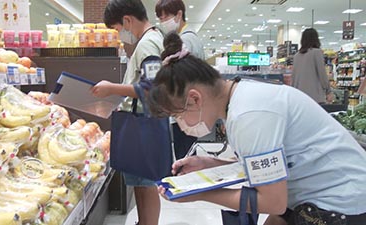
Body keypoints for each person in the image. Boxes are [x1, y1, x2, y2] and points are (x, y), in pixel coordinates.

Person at [148, 32, 366, 225]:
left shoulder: (248, 116)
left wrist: (199, 193)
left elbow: (273, 202)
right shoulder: (241, 98)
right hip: (314, 194)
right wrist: (211, 164)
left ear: (195, 99)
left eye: (178, 115)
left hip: (341, 203)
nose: (181, 123)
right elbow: (265, 166)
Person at [91, 1, 164, 225]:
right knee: (141, 184)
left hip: (143, 123)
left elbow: (152, 87)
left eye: (117, 29)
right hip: (141, 121)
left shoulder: (148, 44)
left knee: (146, 184)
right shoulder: (150, 40)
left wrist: (111, 89)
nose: (120, 35)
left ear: (127, 20)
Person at [155, 0, 205, 160]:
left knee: (185, 158)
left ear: (179, 14)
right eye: (160, 18)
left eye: (166, 16)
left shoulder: (184, 41)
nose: (163, 21)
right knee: (189, 153)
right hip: (192, 108)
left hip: (185, 109)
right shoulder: (191, 38)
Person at [292, 28, 333, 104]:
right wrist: (328, 91)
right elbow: (322, 74)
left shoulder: (296, 56)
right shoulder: (317, 52)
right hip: (315, 97)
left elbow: (294, 78)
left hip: (299, 97)